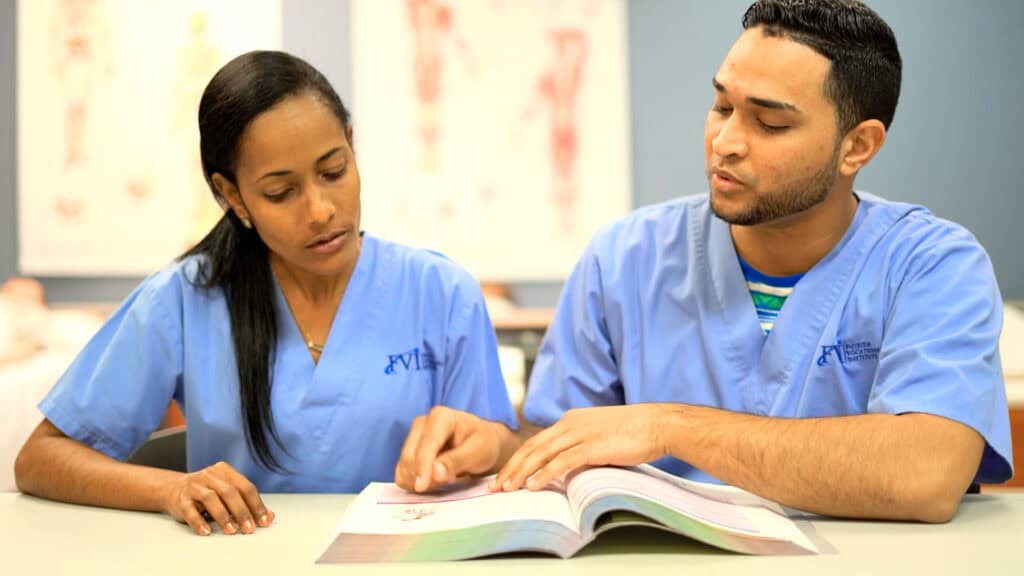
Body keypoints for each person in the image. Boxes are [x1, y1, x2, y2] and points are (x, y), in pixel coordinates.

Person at [486, 0, 1014, 523]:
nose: (726, 142)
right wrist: (494, 445)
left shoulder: (933, 266)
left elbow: (925, 475)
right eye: (722, 107)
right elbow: (551, 445)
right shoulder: (625, 259)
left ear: (857, 146)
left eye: (769, 123)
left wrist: (671, 426)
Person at [14, 50, 519, 536]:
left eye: (333, 171)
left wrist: (489, 445)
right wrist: (169, 489)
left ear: (350, 143)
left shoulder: (441, 292)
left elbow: (498, 445)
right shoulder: (186, 299)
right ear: (234, 196)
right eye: (281, 192)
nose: (320, 210)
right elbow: (42, 458)